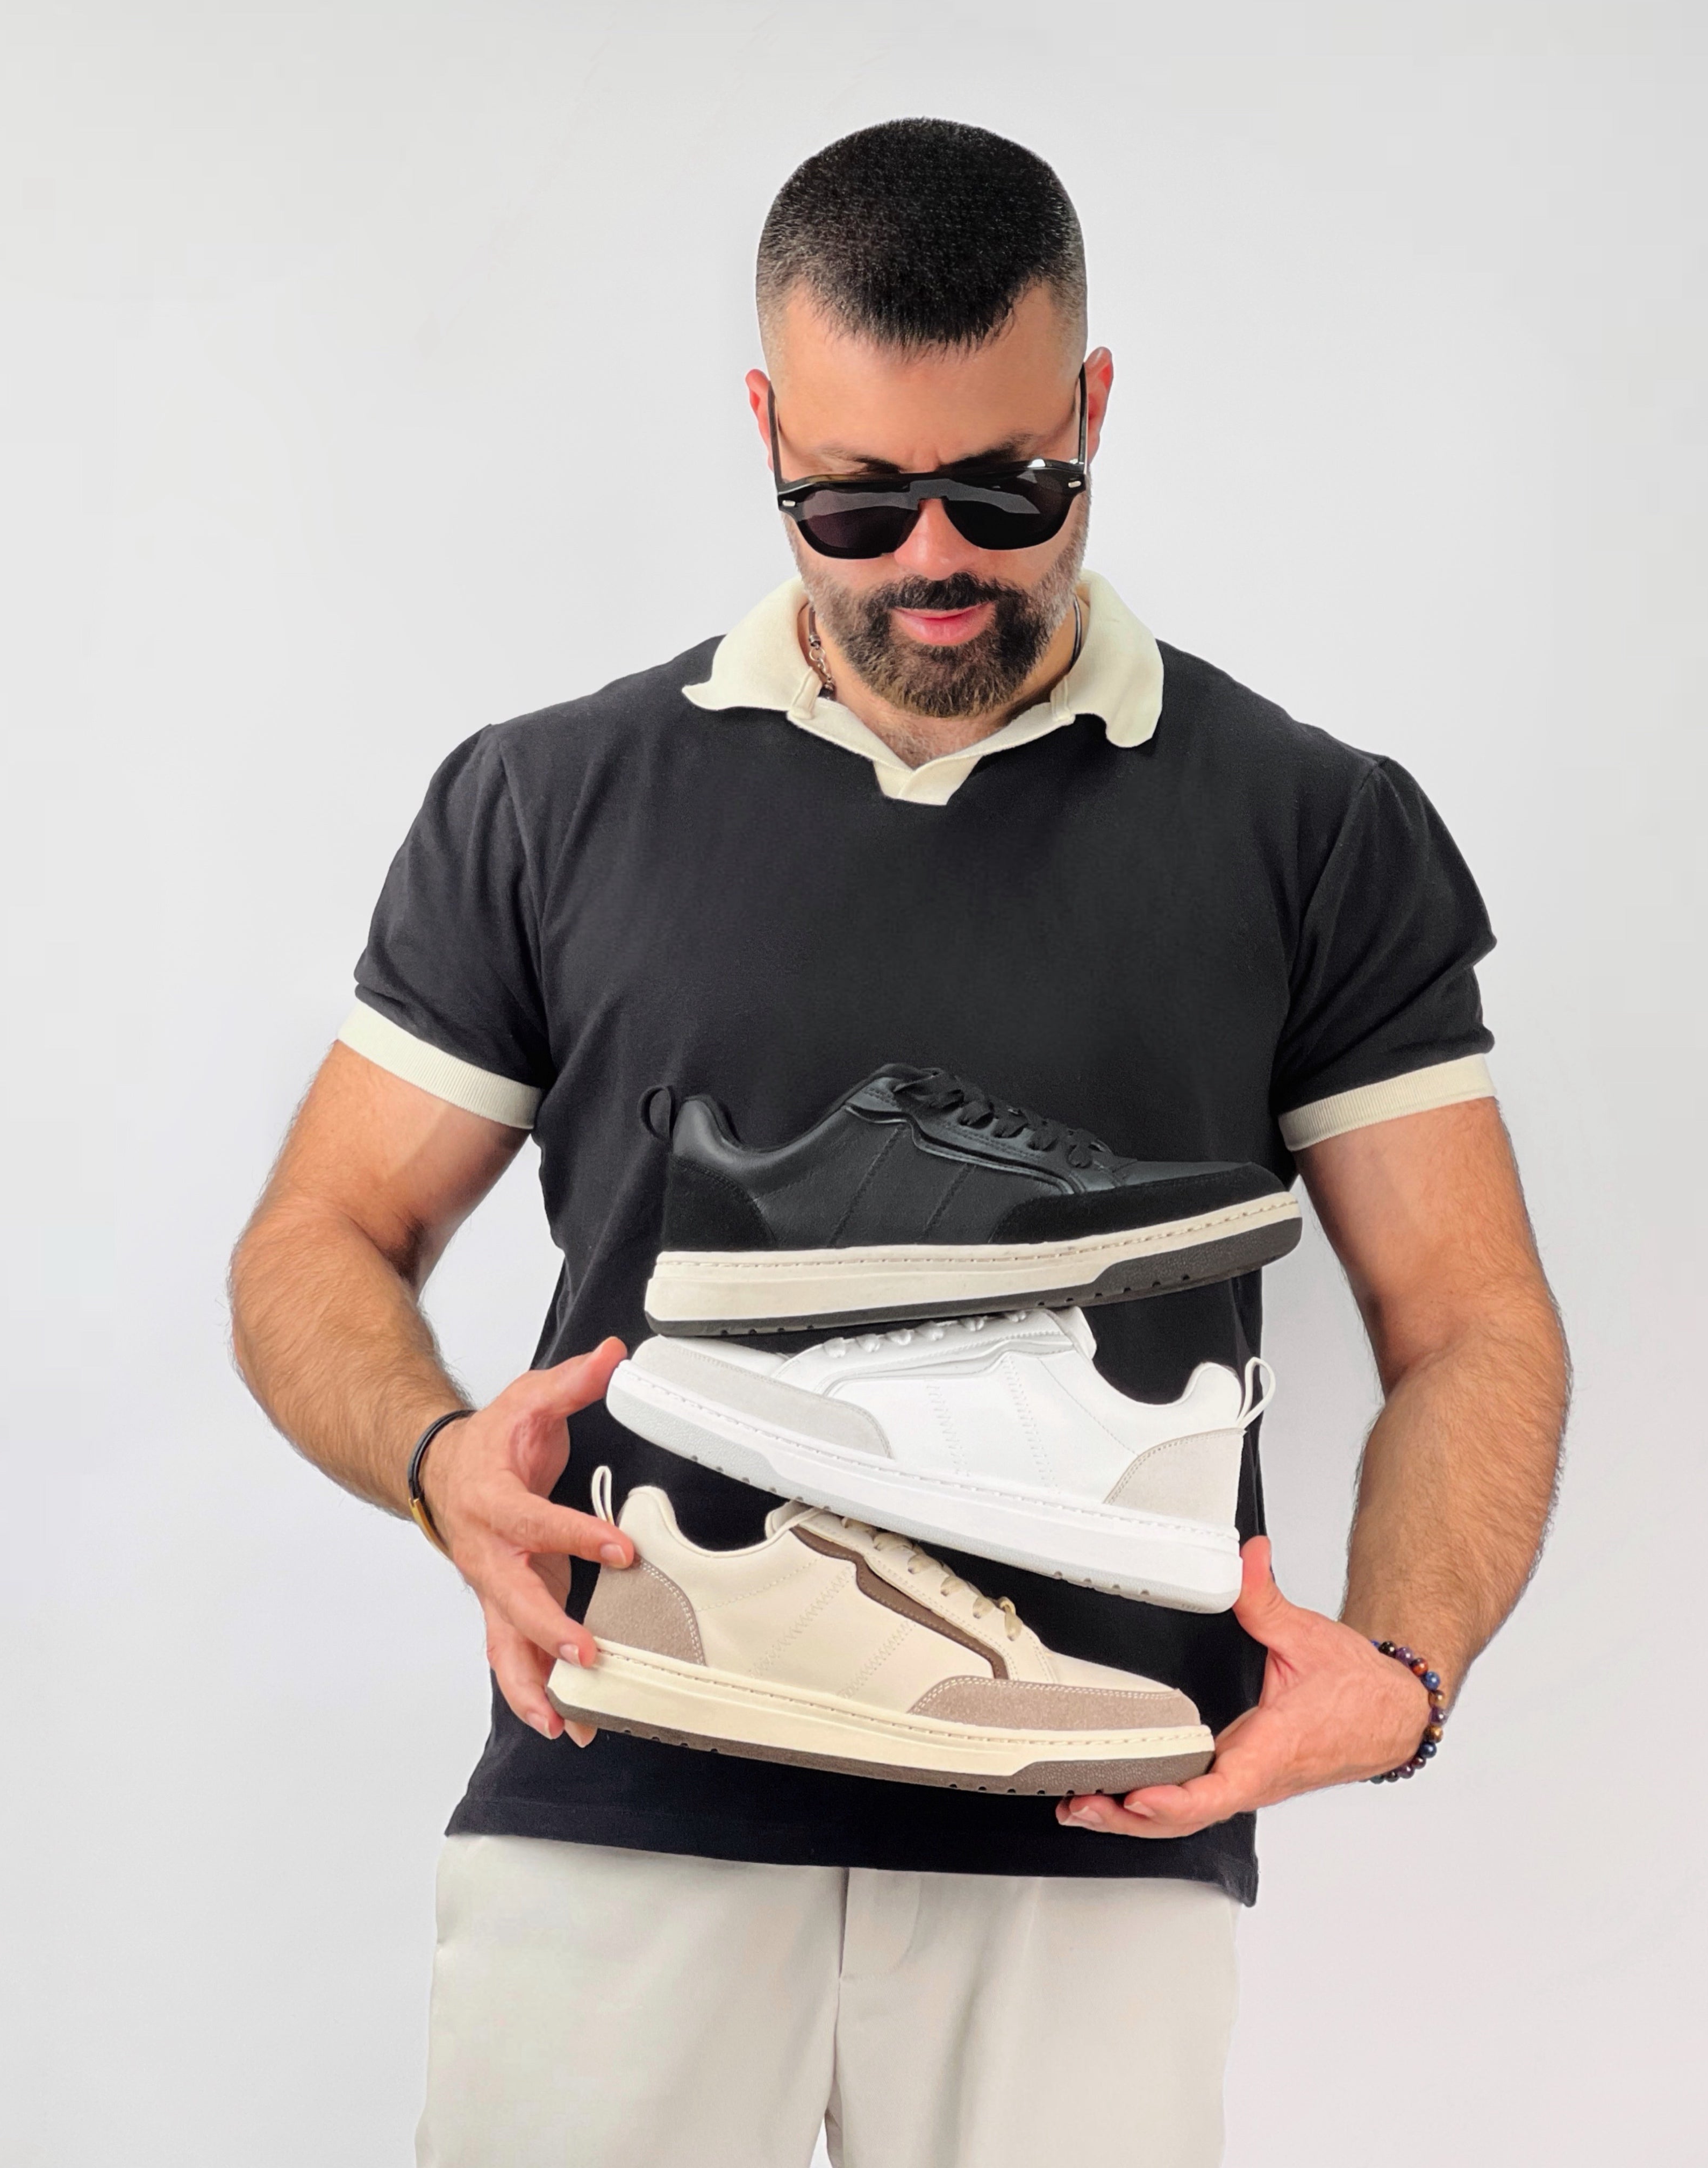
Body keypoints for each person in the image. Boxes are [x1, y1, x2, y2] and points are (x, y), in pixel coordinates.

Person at [229, 117, 1568, 2168]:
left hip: (1100, 1810)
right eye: (854, 503)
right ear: (765, 430)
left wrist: (1400, 1667)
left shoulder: (1310, 828)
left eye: (1004, 491)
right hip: (626, 1768)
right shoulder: (549, 801)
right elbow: (320, 1231)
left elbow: (1467, 1313)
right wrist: (437, 1469)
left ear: (1093, 410)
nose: (934, 558)